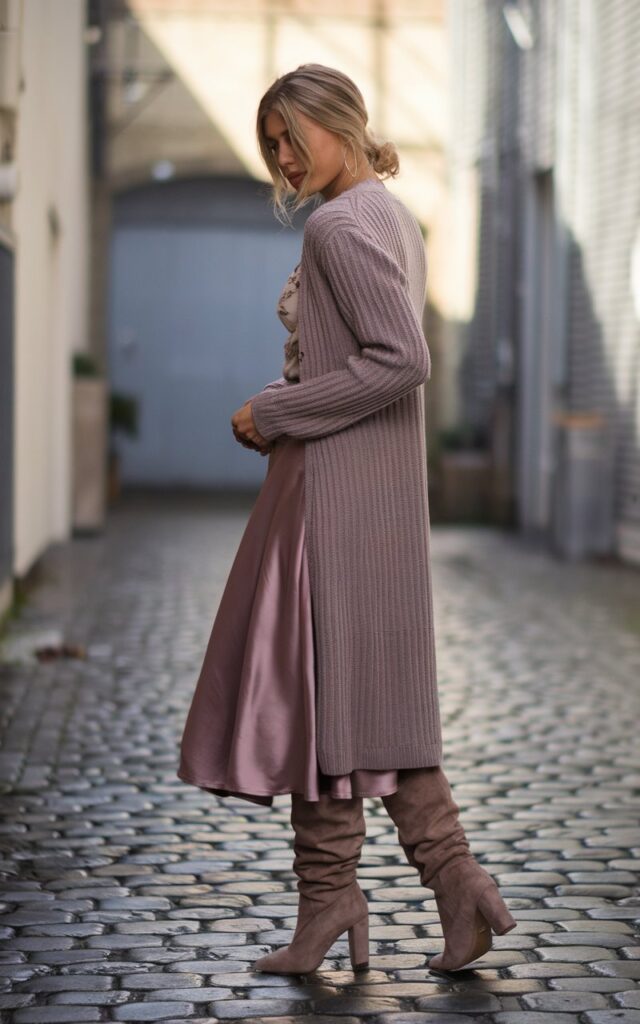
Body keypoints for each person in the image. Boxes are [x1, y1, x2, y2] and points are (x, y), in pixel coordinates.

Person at [177, 62, 516, 976]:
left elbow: (402, 360)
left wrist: (274, 412)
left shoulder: (340, 223)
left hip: (333, 502)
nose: (284, 158)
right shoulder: (391, 215)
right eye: (271, 144)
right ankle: (433, 891)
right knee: (356, 708)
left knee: (322, 704)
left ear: (341, 122)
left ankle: (352, 899)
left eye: (292, 135)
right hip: (369, 503)